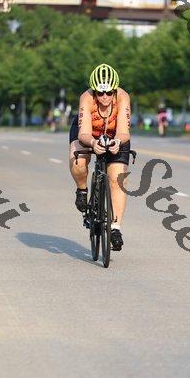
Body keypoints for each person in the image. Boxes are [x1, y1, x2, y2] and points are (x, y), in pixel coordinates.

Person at [69, 63, 131, 251]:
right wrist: (93, 143)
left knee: (118, 178)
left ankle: (116, 228)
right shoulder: (86, 98)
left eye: (109, 92)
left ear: (115, 90)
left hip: (115, 134)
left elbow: (124, 131)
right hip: (88, 133)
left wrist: (117, 142)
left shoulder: (123, 97)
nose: (104, 96)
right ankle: (82, 190)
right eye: (100, 92)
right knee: (78, 159)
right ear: (94, 91)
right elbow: (84, 133)